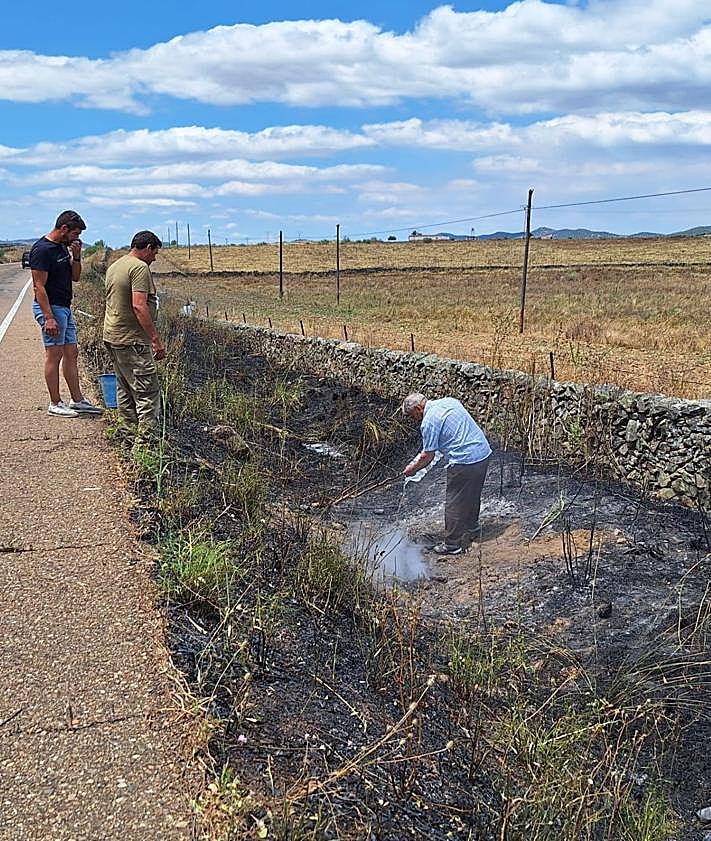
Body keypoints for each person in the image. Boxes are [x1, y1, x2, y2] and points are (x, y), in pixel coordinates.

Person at [30, 210, 103, 417]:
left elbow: (76, 277)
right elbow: (38, 286)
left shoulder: (62, 247)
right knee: (54, 354)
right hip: (51, 308)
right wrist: (49, 317)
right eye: (76, 233)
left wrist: (77, 256)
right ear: (64, 229)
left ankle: (77, 400)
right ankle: (55, 403)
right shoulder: (42, 250)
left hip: (64, 307)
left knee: (72, 352)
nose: (77, 238)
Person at [402, 393, 491, 555]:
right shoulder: (449, 401)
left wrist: (413, 469)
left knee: (453, 502)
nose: (413, 419)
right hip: (482, 453)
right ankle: (472, 528)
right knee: (472, 493)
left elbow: (427, 455)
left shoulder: (428, 422)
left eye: (411, 415)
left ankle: (452, 544)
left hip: (464, 460)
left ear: (418, 408)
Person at [103, 230, 165, 432]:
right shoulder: (139, 268)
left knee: (126, 389)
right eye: (154, 253)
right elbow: (139, 305)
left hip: (114, 337)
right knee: (147, 392)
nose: (154, 258)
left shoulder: (116, 266)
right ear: (148, 248)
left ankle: (128, 437)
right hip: (132, 340)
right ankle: (146, 441)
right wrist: (155, 339)